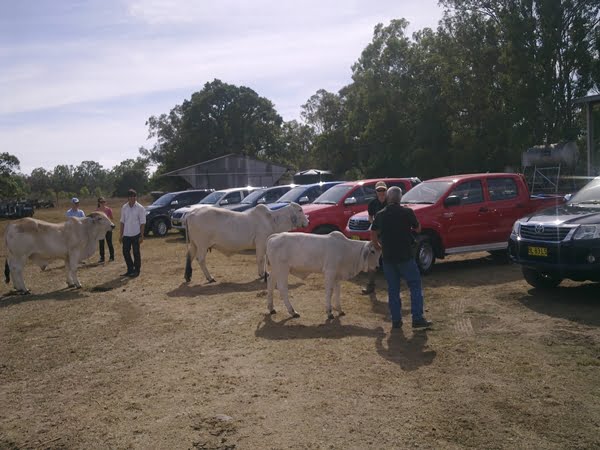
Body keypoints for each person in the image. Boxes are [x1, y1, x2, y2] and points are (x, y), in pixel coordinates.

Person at [371, 186, 432, 329]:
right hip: (405, 256)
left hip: (388, 257)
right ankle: (417, 318)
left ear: (388, 198)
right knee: (415, 285)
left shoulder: (381, 214)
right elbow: (418, 229)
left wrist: (377, 245)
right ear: (400, 198)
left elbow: (373, 231)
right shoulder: (407, 212)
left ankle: (396, 321)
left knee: (393, 289)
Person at [361, 180, 388, 294]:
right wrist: (375, 224)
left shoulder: (391, 201)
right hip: (377, 235)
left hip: (390, 236)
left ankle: (393, 286)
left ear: (386, 190)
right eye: (379, 190)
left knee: (390, 261)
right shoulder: (372, 203)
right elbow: (370, 217)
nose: (381, 192)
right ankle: (370, 287)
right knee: (372, 261)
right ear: (376, 192)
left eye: (383, 190)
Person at [119, 189, 146, 277]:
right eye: (131, 197)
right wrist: (121, 235)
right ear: (128, 198)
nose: (133, 198)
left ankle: (137, 270)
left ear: (136, 197)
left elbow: (142, 223)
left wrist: (141, 236)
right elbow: (122, 222)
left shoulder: (140, 208)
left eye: (134, 196)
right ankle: (130, 269)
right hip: (126, 234)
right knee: (125, 252)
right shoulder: (124, 207)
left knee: (136, 253)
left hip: (136, 234)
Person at [96, 197, 115, 263]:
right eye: (101, 202)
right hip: (101, 230)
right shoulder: (97, 211)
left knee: (109, 243)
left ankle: (112, 257)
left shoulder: (108, 209)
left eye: (104, 202)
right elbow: (96, 221)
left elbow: (112, 218)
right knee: (101, 244)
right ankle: (102, 258)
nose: (103, 203)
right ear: (99, 203)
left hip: (108, 229)